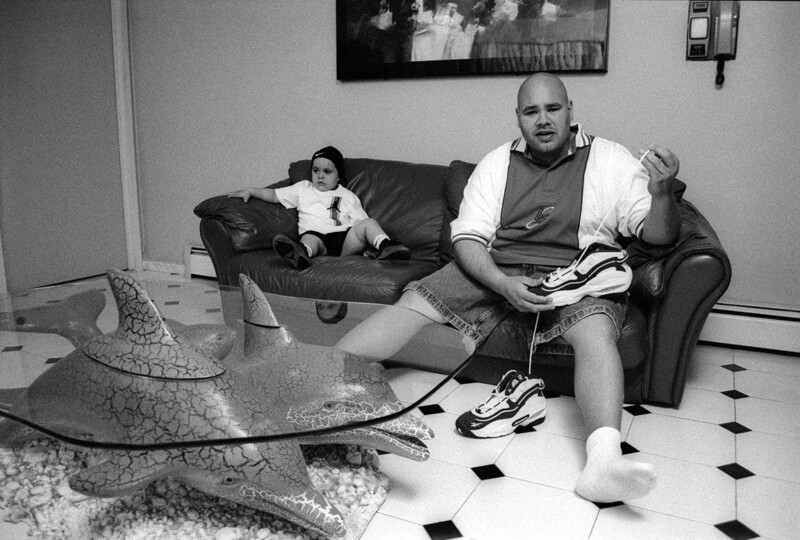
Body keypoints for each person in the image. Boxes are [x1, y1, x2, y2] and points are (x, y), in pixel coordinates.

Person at [334, 72, 681, 504]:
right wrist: (502, 283)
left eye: (552, 108)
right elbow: (467, 239)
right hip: (498, 267)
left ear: (571, 110)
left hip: (576, 274)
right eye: (531, 111)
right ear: (518, 118)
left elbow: (659, 237)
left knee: (595, 332)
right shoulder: (497, 162)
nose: (543, 120)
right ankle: (324, 385)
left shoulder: (611, 159)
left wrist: (662, 193)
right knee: (415, 299)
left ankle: (604, 464)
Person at [227, 146, 410, 270]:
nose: (320, 176)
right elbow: (274, 195)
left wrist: (367, 247)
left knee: (369, 223)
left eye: (327, 172)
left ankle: (386, 247)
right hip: (317, 238)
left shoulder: (347, 196)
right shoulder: (302, 189)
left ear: (338, 176)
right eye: (316, 171)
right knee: (309, 239)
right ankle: (300, 255)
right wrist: (252, 191)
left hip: (344, 241)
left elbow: (360, 223)